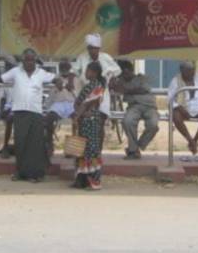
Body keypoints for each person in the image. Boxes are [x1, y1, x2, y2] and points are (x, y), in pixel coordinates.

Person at [0, 49, 61, 183]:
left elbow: (55, 78)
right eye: (26, 59)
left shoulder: (41, 73)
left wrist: (58, 81)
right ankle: (20, 173)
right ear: (22, 60)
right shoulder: (16, 72)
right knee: (20, 143)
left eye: (32, 59)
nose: (29, 62)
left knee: (35, 145)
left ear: (35, 60)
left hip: (35, 112)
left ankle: (36, 174)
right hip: (20, 112)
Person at [71, 61, 108, 190]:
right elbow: (79, 103)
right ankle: (84, 180)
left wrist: (77, 116)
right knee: (86, 149)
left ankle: (91, 180)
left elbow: (84, 104)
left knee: (88, 150)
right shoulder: (94, 86)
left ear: (94, 73)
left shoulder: (95, 86)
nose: (85, 73)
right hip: (89, 120)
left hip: (89, 121)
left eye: (88, 70)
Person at [111, 60, 159, 160]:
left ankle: (136, 147)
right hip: (134, 106)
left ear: (130, 71)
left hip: (150, 106)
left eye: (127, 72)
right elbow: (114, 88)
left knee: (153, 125)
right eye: (123, 73)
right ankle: (133, 150)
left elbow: (143, 89)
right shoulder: (120, 80)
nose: (125, 75)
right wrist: (113, 80)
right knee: (127, 121)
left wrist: (127, 90)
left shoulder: (141, 78)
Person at [168, 62, 198, 159]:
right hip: (182, 107)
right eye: (188, 70)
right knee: (175, 116)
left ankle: (194, 140)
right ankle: (189, 139)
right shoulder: (175, 80)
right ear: (182, 70)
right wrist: (180, 108)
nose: (191, 72)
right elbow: (170, 99)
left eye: (192, 70)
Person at [43, 60, 78, 158]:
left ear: (69, 67)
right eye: (62, 67)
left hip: (71, 104)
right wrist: (56, 88)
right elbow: (51, 96)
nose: (64, 70)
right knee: (49, 119)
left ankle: (72, 149)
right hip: (58, 104)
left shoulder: (74, 78)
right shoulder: (55, 78)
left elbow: (78, 95)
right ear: (60, 68)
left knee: (77, 119)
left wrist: (72, 89)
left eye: (66, 67)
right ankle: (50, 145)